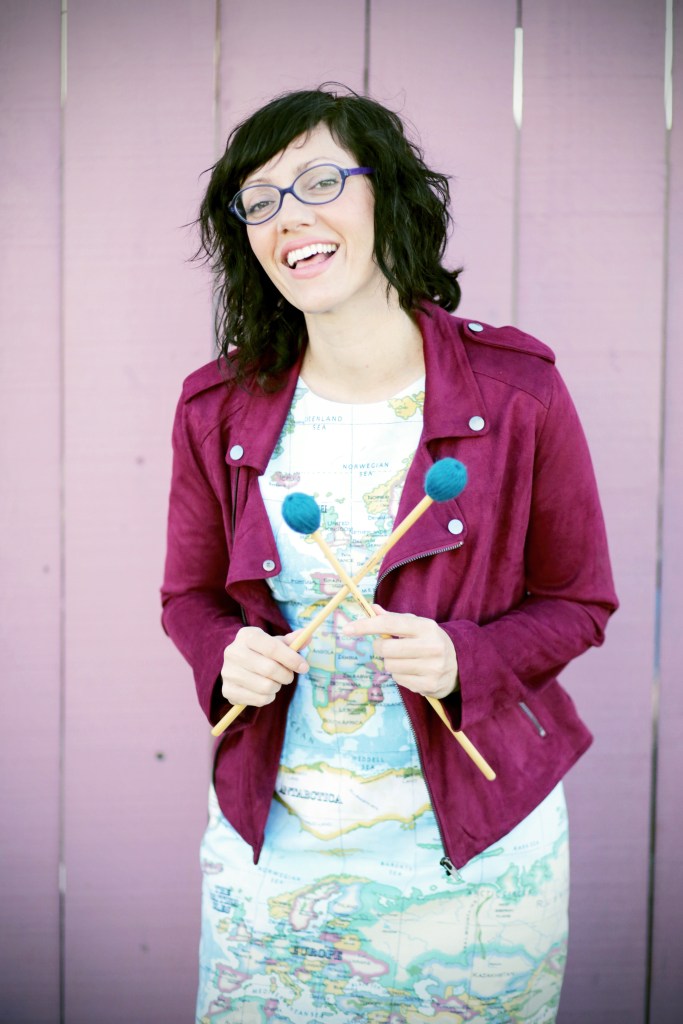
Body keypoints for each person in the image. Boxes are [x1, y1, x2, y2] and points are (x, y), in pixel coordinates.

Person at [161, 84, 618, 1024]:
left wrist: (467, 658)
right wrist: (223, 653)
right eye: (259, 200)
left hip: (478, 866)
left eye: (320, 181)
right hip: (275, 865)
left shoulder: (518, 391)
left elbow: (579, 601)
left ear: (389, 196)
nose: (290, 217)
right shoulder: (216, 407)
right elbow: (189, 597)